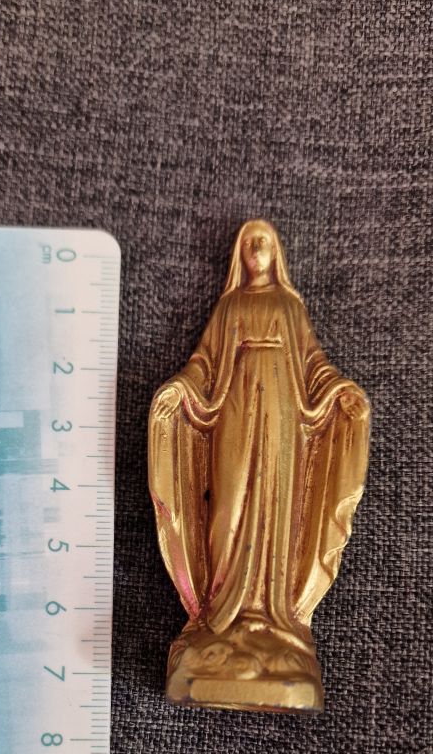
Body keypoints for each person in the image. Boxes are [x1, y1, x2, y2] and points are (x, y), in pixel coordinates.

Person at [148, 219, 370, 711]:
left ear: (276, 253)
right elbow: (205, 361)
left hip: (283, 409)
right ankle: (219, 614)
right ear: (240, 256)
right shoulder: (230, 307)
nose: (256, 251)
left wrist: (339, 388)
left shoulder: (290, 306)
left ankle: (272, 616)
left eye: (263, 243)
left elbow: (312, 363)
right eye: (249, 244)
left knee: (277, 505)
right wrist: (182, 386)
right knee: (227, 504)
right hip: (234, 405)